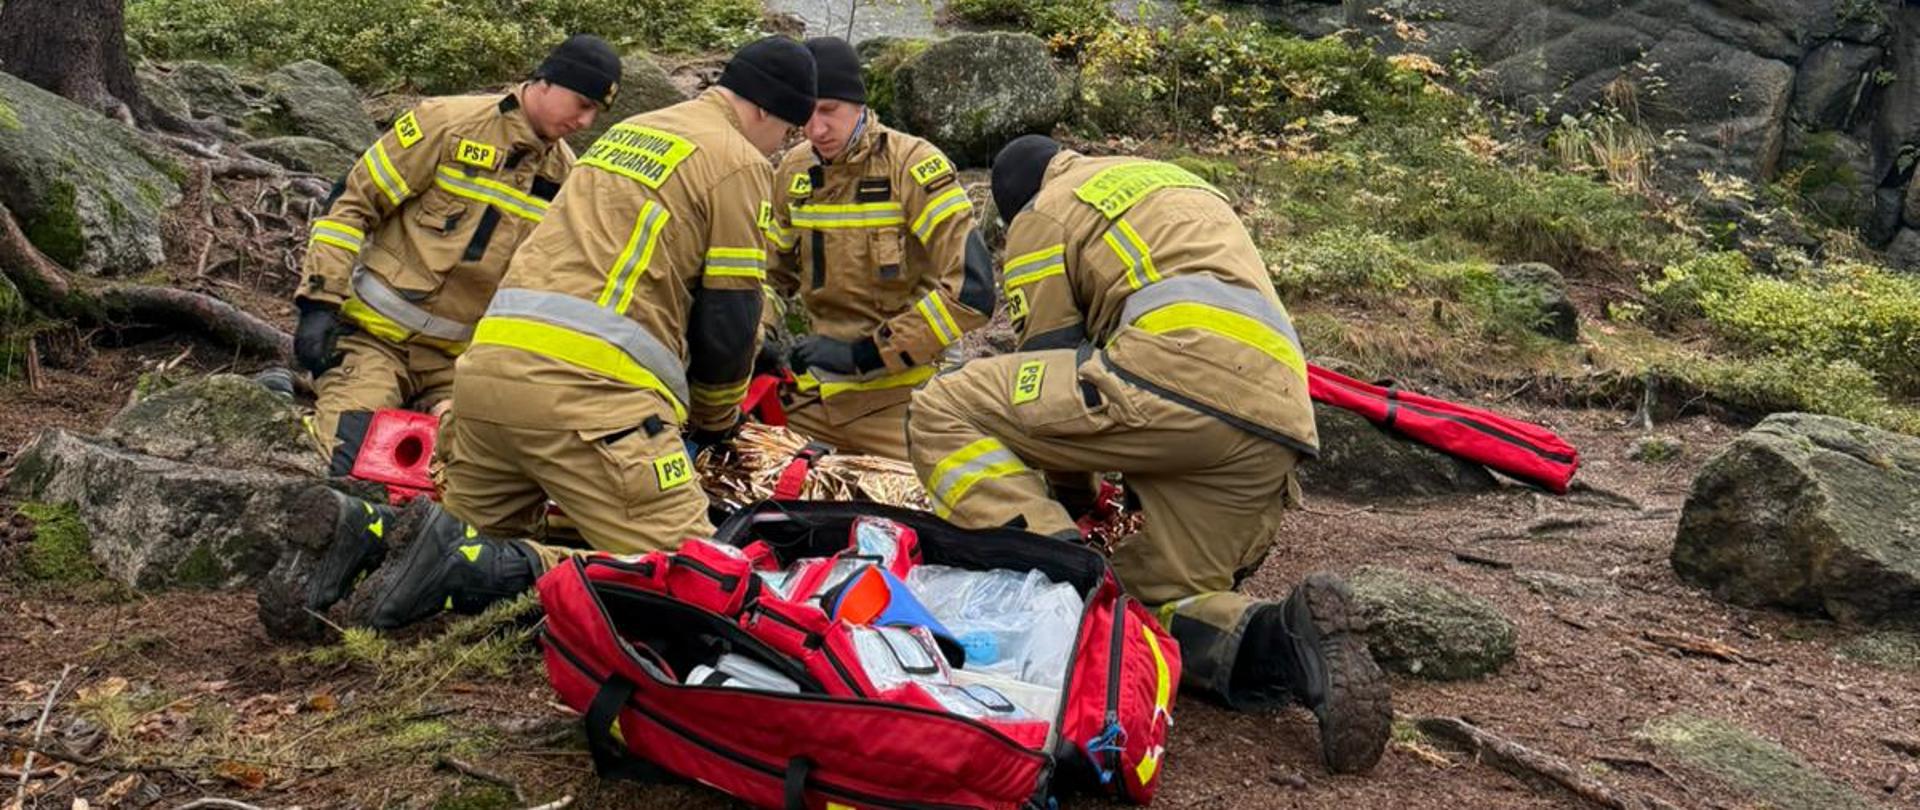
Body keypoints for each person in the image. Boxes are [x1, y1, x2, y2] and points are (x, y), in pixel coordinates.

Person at [257, 37, 818, 640]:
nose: (782, 148)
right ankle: (486, 564)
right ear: (765, 110)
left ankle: (363, 531)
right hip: (587, 400)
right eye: (787, 132)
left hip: (483, 382)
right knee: (699, 581)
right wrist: (715, 418)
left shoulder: (624, 140)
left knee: (459, 540)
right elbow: (729, 311)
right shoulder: (736, 161)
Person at [904, 135, 1392, 773]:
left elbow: (1046, 358)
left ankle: (1056, 574)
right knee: (1153, 593)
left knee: (944, 405)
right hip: (1275, 420)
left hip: (1174, 375)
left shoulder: (1044, 212)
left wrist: (1073, 510)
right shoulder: (1168, 181)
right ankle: (1284, 639)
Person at [293, 35, 619, 468]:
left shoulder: (565, 178)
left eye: (596, 112)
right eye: (581, 103)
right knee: (349, 462)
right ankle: (289, 389)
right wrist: (319, 302)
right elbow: (351, 207)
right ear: (546, 81)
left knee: (476, 482)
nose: (585, 121)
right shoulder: (446, 123)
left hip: (456, 369)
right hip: (376, 341)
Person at [757, 37, 993, 460]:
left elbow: (973, 293)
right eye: (805, 114)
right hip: (814, 394)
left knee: (961, 499)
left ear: (860, 104)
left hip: (905, 394)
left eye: (829, 110)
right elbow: (771, 276)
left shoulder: (913, 165)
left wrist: (863, 354)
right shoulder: (793, 169)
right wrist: (759, 339)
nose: (816, 130)